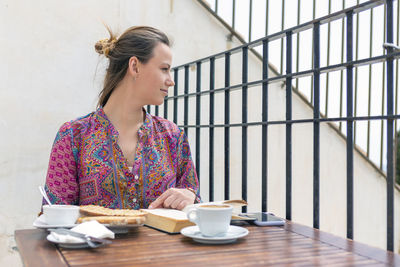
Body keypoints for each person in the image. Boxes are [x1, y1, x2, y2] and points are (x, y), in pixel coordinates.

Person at [43, 26, 200, 211]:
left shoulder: (173, 136)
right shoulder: (73, 136)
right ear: (134, 66)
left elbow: (195, 209)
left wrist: (191, 198)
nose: (170, 80)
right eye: (164, 69)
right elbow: (53, 218)